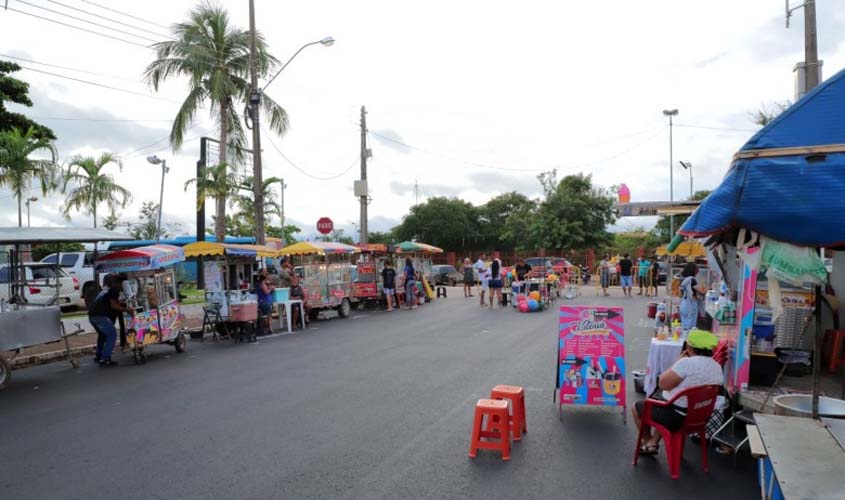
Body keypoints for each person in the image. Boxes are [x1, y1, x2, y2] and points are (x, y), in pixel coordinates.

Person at [632, 329, 723, 455]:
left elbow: (663, 384)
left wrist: (677, 362)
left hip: (678, 417)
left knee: (637, 407)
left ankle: (647, 442)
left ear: (690, 348)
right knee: (664, 402)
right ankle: (652, 442)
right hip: (701, 417)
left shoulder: (686, 363)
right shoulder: (716, 367)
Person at [89, 273, 134, 367]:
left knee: (102, 335)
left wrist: (120, 303)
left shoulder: (107, 291)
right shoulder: (114, 290)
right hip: (100, 316)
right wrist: (127, 309)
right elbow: (113, 305)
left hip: (92, 316)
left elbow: (110, 302)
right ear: (119, 283)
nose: (124, 286)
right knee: (112, 334)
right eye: (124, 284)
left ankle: (99, 355)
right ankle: (106, 359)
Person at [679, 262, 707, 336]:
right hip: (690, 306)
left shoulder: (683, 280)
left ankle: (683, 343)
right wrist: (705, 287)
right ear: (693, 270)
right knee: (691, 329)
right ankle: (688, 345)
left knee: (685, 327)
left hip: (683, 304)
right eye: (696, 269)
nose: (697, 271)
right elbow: (702, 291)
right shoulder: (691, 280)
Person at [256, 268, 274, 336]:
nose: (266, 273)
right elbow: (266, 292)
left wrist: (268, 276)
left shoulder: (265, 281)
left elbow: (271, 282)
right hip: (264, 301)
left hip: (266, 301)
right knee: (268, 314)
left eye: (266, 271)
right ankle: (269, 327)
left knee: (268, 315)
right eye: (265, 272)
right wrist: (270, 289)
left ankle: (269, 327)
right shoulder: (262, 282)